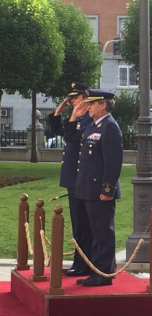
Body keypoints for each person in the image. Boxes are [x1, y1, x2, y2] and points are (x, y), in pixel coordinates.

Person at [66, 89, 123, 287]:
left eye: (92, 103)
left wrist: (107, 190)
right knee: (93, 232)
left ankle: (103, 273)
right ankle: (95, 270)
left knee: (102, 232)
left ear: (103, 105)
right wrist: (74, 116)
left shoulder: (109, 127)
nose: (88, 106)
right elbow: (72, 137)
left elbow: (113, 163)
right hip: (87, 190)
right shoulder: (93, 126)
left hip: (100, 191)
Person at [48, 82, 93, 277]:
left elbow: (72, 138)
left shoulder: (88, 120)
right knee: (78, 224)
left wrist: (73, 117)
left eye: (75, 98)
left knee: (83, 224)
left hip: (81, 178)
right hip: (73, 178)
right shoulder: (79, 120)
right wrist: (58, 114)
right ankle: (79, 262)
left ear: (85, 98)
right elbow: (60, 132)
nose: (72, 100)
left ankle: (84, 264)